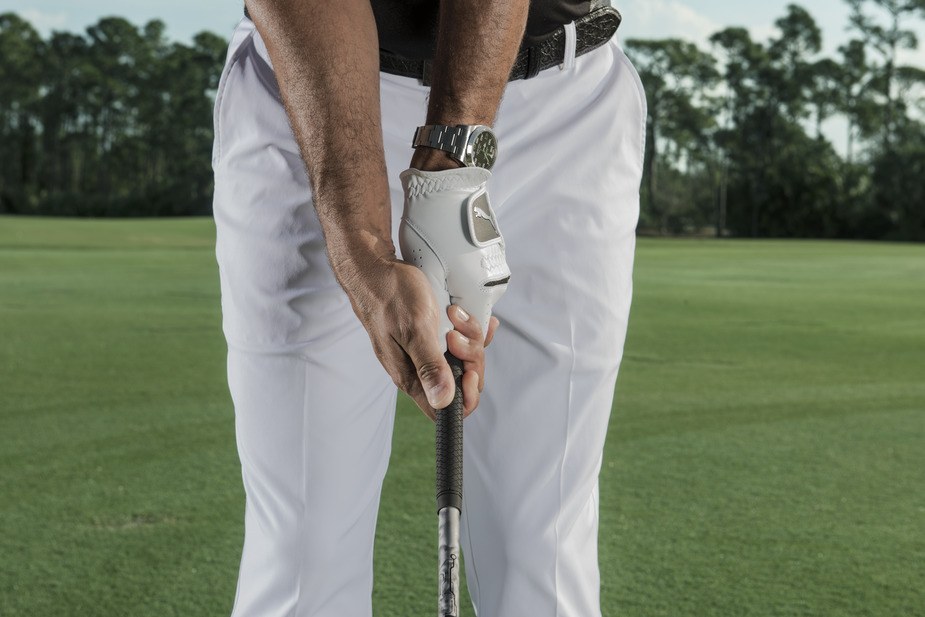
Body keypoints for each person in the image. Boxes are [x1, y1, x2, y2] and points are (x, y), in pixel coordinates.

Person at [211, 0, 646, 615]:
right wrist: (359, 244)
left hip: (566, 101)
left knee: (542, 559)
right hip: (311, 91)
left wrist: (451, 169)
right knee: (303, 559)